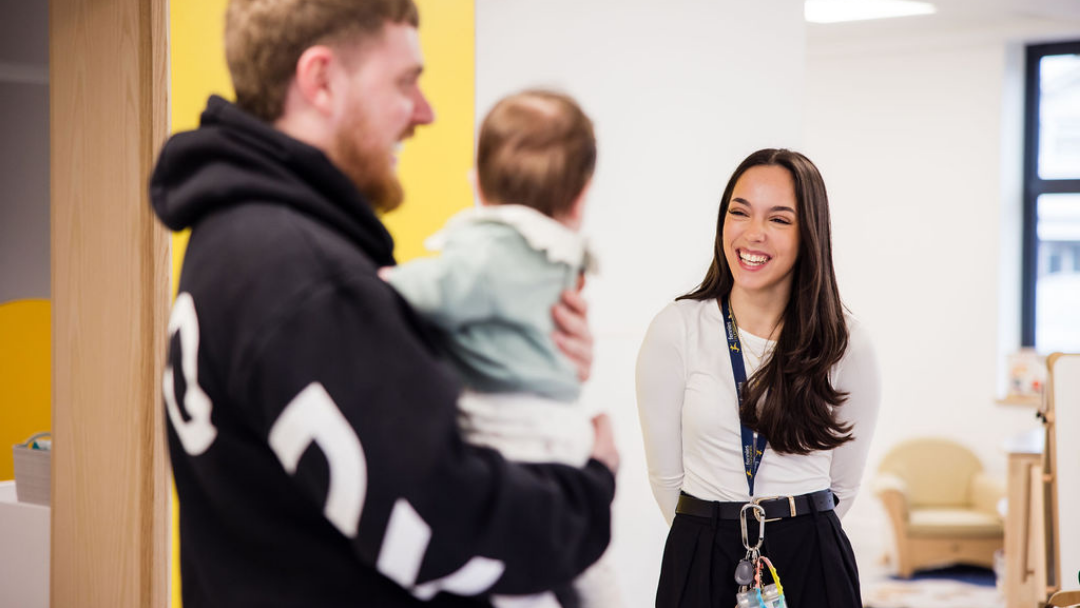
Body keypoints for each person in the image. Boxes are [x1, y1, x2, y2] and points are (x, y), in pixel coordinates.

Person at [149, 2, 618, 607]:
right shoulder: (303, 276)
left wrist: (525, 354)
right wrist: (591, 486)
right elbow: (437, 527)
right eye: (406, 81)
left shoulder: (239, 236)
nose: (425, 112)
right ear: (320, 79)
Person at [381, 89, 620, 608]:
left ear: (476, 184)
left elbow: (433, 290)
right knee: (589, 558)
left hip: (510, 428)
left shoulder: (487, 252)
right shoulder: (558, 254)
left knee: (521, 573)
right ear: (579, 199)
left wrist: (378, 280)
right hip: (563, 426)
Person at [636, 148, 881, 608]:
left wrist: (790, 531)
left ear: (810, 233)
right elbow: (665, 477)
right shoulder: (677, 328)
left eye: (779, 219)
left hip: (811, 552)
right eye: (739, 212)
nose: (754, 234)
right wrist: (716, 532)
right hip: (703, 548)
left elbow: (844, 485)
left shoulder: (846, 341)